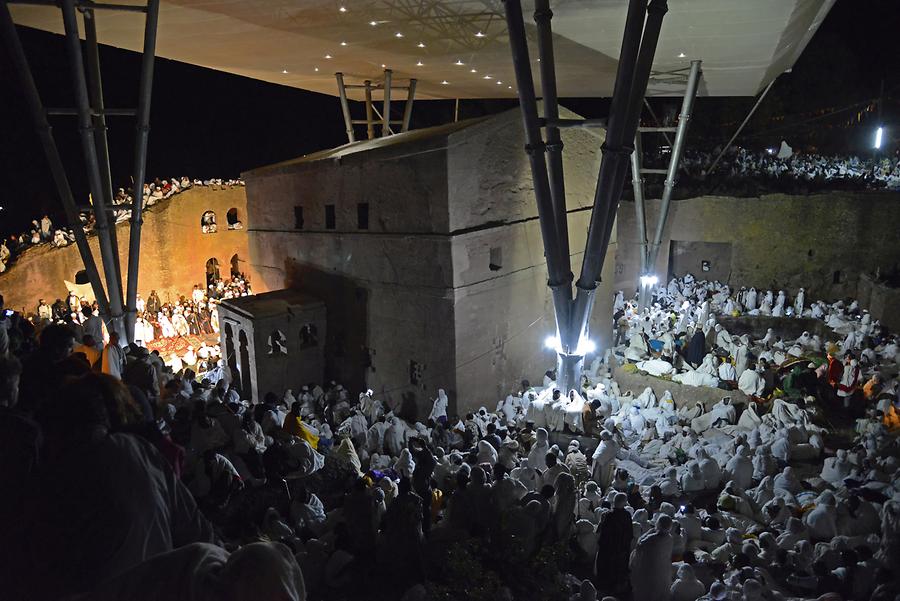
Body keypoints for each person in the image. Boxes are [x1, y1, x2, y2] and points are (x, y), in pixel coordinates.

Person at [629, 514, 674, 601]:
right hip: (664, 571)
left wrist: (649, 532)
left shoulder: (652, 538)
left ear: (658, 523)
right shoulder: (670, 538)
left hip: (649, 570)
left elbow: (639, 545)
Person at [595, 492, 633, 593]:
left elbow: (602, 533)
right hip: (620, 549)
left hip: (608, 548)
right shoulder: (626, 515)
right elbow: (629, 534)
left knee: (607, 569)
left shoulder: (608, 515)